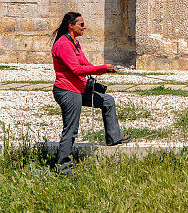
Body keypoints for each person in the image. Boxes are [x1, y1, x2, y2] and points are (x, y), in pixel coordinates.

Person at [51, 11, 130, 175]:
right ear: (71, 26)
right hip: (67, 91)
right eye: (81, 24)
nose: (84, 27)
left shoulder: (75, 43)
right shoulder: (63, 45)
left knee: (107, 101)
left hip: (79, 88)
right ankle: (63, 166)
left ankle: (114, 137)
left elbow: (85, 64)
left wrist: (105, 69)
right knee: (71, 129)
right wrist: (102, 68)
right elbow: (76, 69)